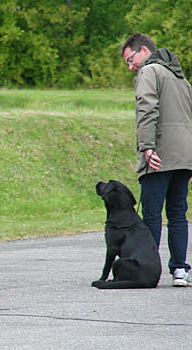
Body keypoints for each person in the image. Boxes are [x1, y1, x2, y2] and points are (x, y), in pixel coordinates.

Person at [120, 32, 192, 287]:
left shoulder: (150, 72)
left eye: (131, 59)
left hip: (160, 154)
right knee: (177, 213)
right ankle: (180, 270)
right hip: (185, 156)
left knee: (151, 214)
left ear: (144, 51)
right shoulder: (179, 77)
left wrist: (147, 147)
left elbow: (147, 107)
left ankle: (147, 268)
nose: (131, 66)